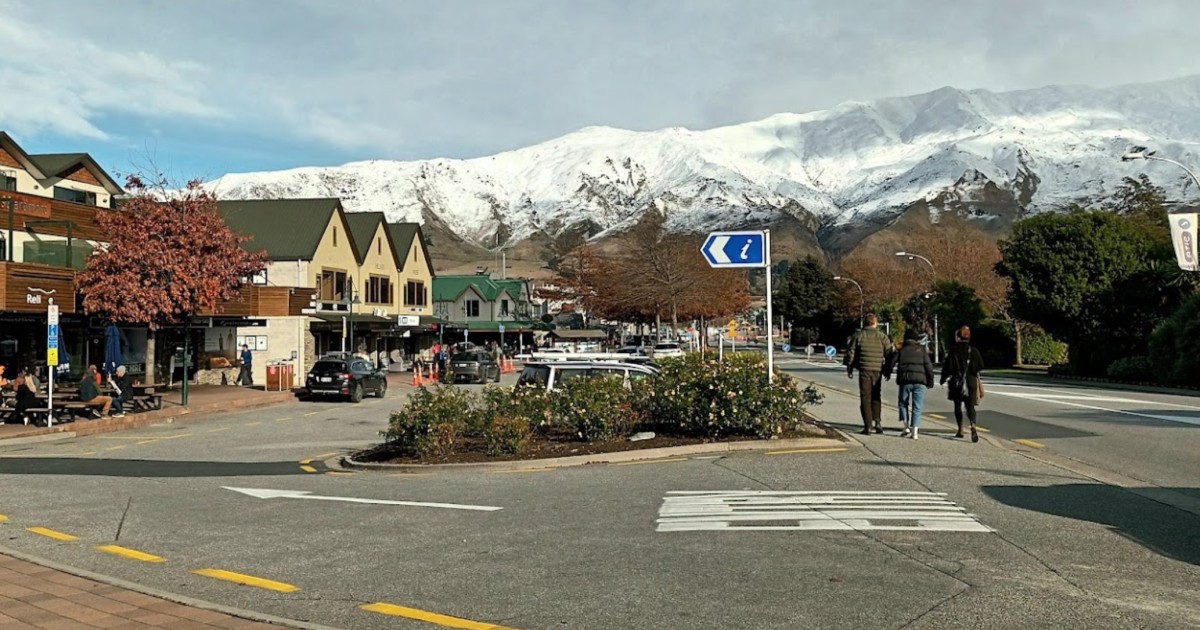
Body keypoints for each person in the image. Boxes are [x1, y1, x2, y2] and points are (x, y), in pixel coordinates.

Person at [844, 313, 894, 435]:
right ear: (875, 323)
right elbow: (890, 354)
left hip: (864, 369)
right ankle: (877, 422)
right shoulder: (882, 337)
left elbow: (851, 352)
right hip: (877, 369)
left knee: (865, 397)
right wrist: (887, 371)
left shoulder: (858, 335)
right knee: (876, 396)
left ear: (865, 323)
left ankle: (868, 426)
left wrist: (849, 367)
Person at [885, 328, 935, 439]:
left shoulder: (901, 350)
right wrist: (930, 381)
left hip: (905, 380)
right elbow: (929, 367)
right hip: (920, 381)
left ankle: (906, 427)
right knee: (917, 406)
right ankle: (915, 431)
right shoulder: (921, 350)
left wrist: (887, 373)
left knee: (903, 403)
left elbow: (891, 363)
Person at [940, 325, 985, 442]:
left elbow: (947, 367)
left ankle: (960, 429)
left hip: (957, 381)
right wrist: (973, 371)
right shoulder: (973, 350)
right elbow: (981, 365)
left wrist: (943, 379)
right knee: (970, 406)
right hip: (970, 381)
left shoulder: (954, 350)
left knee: (957, 405)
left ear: (958, 337)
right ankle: (973, 426)